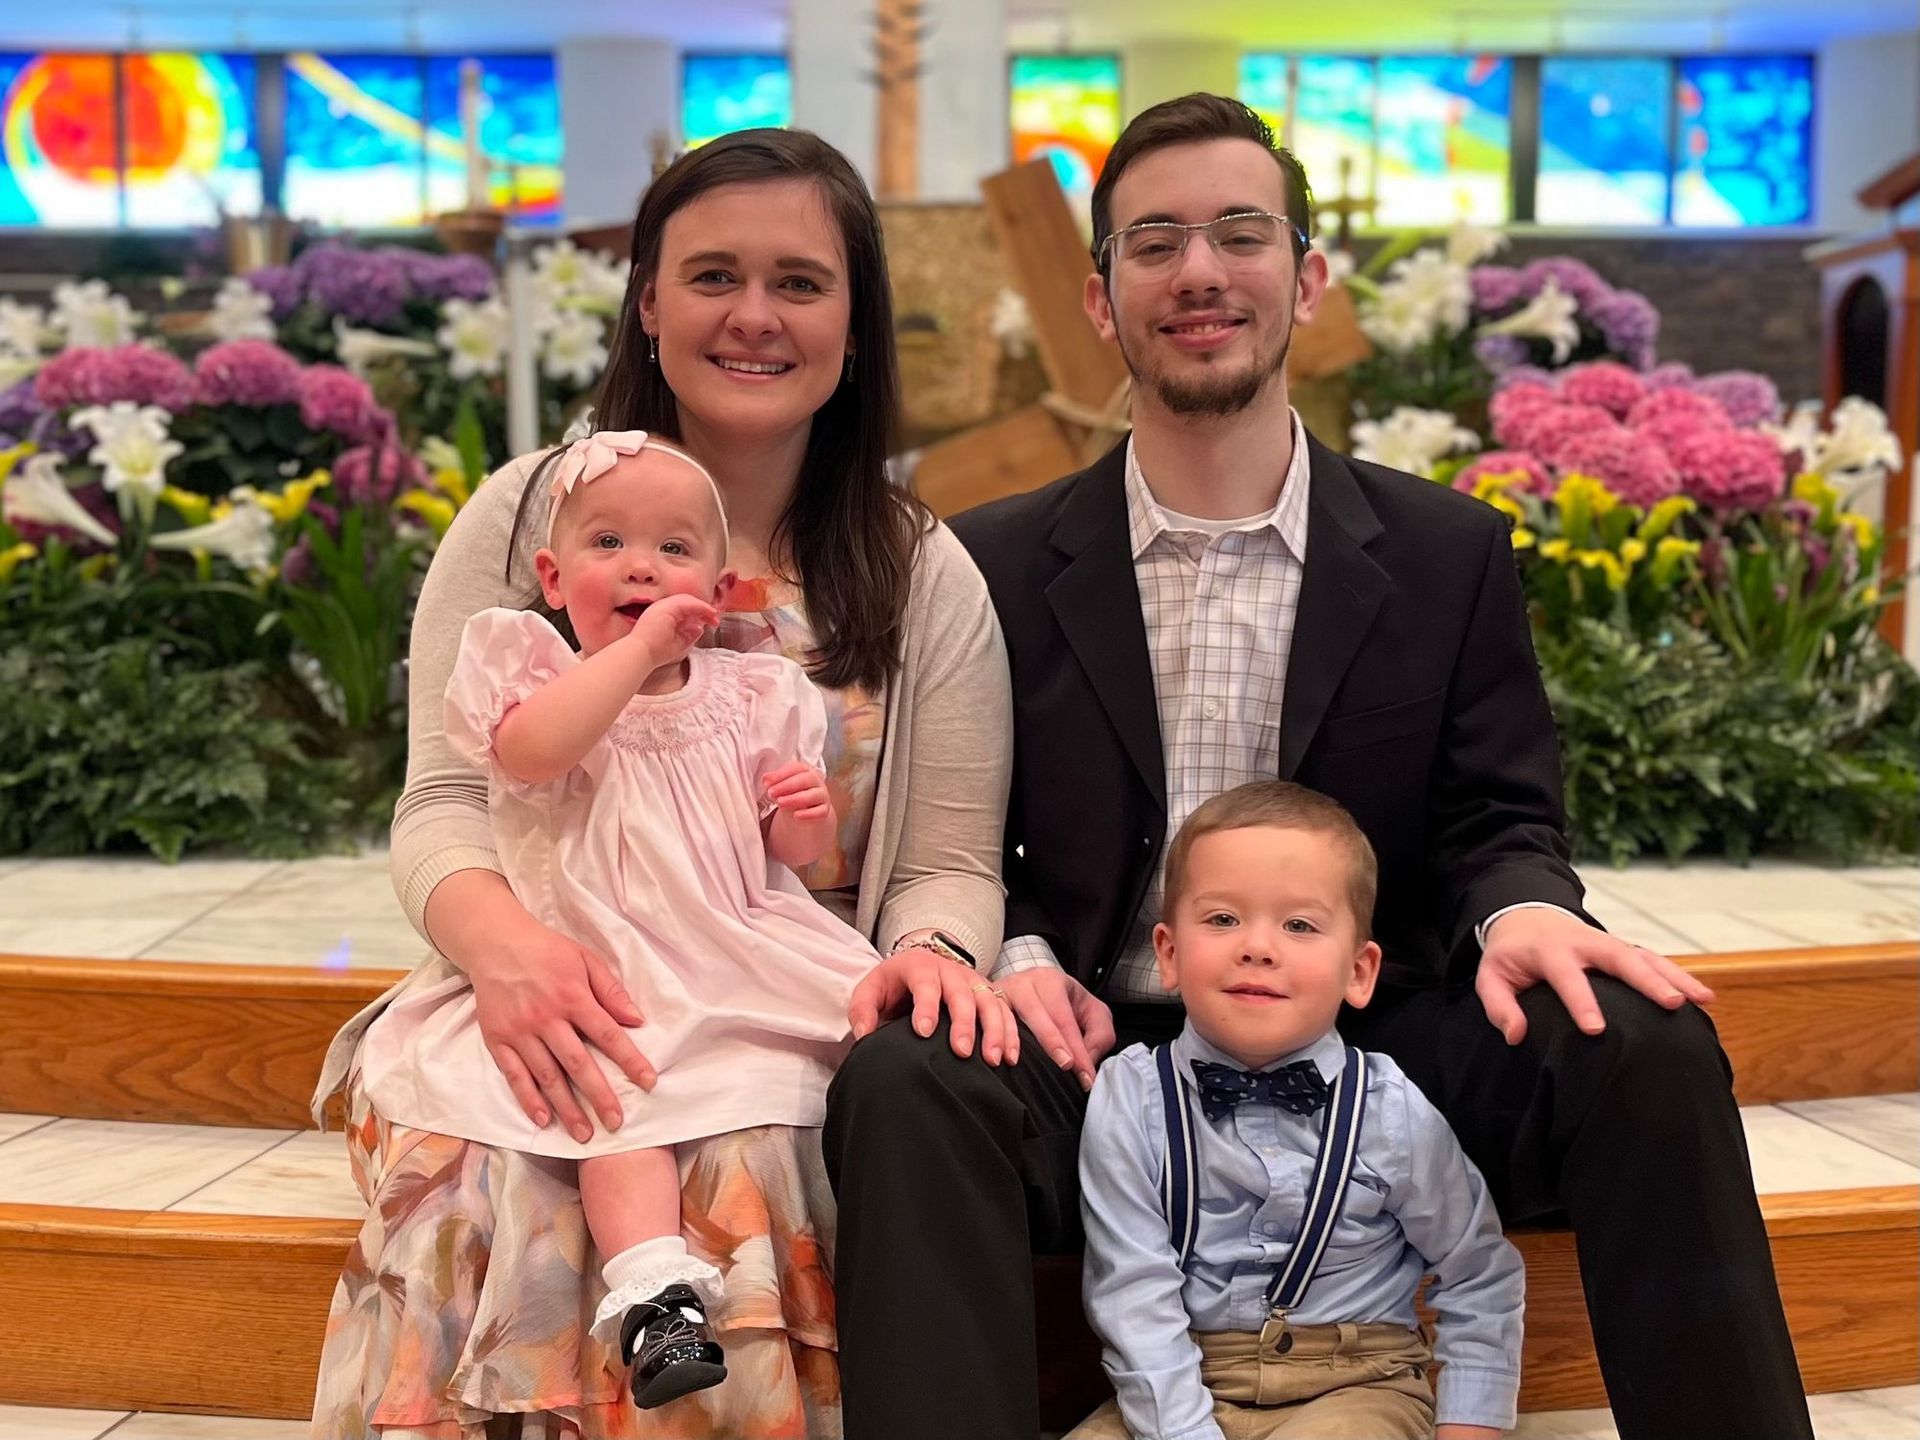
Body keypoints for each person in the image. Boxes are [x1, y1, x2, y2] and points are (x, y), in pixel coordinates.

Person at [825, 93, 1811, 1440]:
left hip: (1371, 1042)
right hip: (1106, 1042)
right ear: (1104, 299)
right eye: (1153, 242)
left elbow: (1498, 815)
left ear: (1307, 276)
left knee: (1636, 1038)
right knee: (908, 1075)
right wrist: (1019, 952)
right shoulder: (987, 562)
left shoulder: (1444, 552)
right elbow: (959, 834)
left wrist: (1525, 911)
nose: (1200, 272)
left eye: (1240, 232)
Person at [310, 128, 1014, 1440]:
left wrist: (927, 949)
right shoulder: (530, 517)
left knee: (733, 1167)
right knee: (500, 1143)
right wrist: (506, 951)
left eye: (802, 283)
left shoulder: (920, 569)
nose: (756, 315)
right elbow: (445, 801)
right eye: (713, 276)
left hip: (782, 988)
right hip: (558, 966)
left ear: (855, 326)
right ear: (647, 301)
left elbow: (950, 864)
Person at [352, 433, 883, 1411]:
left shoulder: (752, 691)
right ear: (554, 579)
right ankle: (656, 1301)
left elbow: (794, 857)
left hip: (734, 944)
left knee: (791, 1076)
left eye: (674, 550)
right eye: (608, 543)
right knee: (618, 1116)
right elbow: (534, 754)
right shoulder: (532, 673)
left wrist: (801, 814)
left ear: (719, 592)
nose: (642, 564)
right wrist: (637, 649)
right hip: (609, 959)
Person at [1070, 781, 1522, 1440]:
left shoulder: (1390, 1109)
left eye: (1299, 925)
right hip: (1188, 1380)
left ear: (1359, 971)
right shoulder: (1130, 1098)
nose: (1258, 946)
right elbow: (1132, 1295)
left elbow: (1478, 1270)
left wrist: (1469, 1423)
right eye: (1222, 919)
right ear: (1168, 953)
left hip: (1361, 1380)